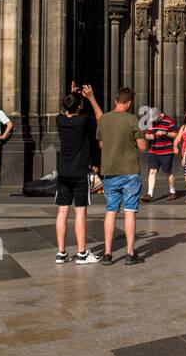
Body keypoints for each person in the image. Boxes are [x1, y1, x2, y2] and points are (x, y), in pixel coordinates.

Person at [96, 87, 147, 264]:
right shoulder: (134, 119)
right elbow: (142, 147)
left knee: (111, 210)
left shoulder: (104, 119)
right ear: (130, 103)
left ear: (116, 100)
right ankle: (130, 253)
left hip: (109, 171)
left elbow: (102, 144)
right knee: (130, 212)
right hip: (130, 171)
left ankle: (108, 253)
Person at [54, 84, 102, 264]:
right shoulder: (83, 121)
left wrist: (72, 95)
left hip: (64, 173)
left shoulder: (59, 120)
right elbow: (100, 117)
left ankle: (61, 253)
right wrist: (90, 97)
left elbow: (67, 108)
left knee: (62, 212)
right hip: (80, 173)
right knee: (80, 213)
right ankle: (82, 253)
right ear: (80, 106)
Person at [142, 107, 177, 202]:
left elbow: (175, 134)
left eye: (154, 118)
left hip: (166, 151)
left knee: (167, 171)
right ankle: (150, 194)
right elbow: (146, 134)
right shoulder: (151, 122)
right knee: (152, 171)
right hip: (153, 151)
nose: (153, 121)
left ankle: (172, 191)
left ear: (159, 114)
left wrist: (165, 133)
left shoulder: (169, 121)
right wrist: (149, 136)